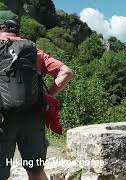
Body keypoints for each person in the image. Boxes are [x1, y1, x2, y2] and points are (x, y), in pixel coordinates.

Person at [0, 11, 74, 180]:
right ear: (18, 30)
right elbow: (66, 72)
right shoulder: (34, 51)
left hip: (2, 120)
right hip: (33, 117)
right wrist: (49, 95)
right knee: (35, 170)